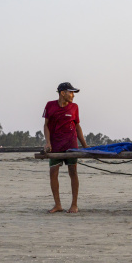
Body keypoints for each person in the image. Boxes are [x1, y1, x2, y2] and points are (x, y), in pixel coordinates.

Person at [43, 82, 88, 213]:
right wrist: (48, 142)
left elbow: (77, 126)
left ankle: (74, 205)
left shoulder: (74, 107)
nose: (73, 95)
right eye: (71, 92)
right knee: (53, 173)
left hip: (71, 144)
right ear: (63, 93)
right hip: (55, 145)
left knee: (73, 172)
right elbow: (46, 125)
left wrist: (85, 146)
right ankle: (58, 205)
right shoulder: (50, 105)